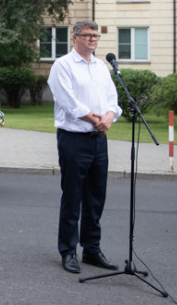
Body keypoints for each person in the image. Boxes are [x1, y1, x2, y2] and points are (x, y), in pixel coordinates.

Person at [47, 20, 122, 274]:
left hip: (99, 139)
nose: (93, 40)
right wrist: (95, 119)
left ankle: (91, 248)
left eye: (96, 36)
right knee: (73, 196)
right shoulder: (63, 66)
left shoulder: (101, 67)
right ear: (75, 37)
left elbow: (113, 98)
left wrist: (109, 117)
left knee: (96, 197)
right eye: (88, 35)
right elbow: (68, 101)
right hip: (74, 138)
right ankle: (68, 250)